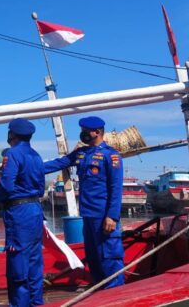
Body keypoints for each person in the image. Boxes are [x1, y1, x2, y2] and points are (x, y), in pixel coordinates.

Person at [44, 116, 125, 289]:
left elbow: (116, 188)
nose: (82, 134)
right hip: (87, 215)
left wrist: (112, 216)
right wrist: (31, 167)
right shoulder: (81, 153)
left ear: (97, 132)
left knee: (109, 255)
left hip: (103, 215)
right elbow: (60, 163)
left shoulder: (111, 156)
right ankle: (99, 287)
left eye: (86, 131)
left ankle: (116, 291)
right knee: (93, 254)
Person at [0, 118, 45, 307]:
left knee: (18, 266)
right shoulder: (37, 156)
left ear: (11, 134)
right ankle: (36, 303)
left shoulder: (13, 154)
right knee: (34, 262)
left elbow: (6, 185)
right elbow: (41, 188)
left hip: (19, 213)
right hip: (35, 210)